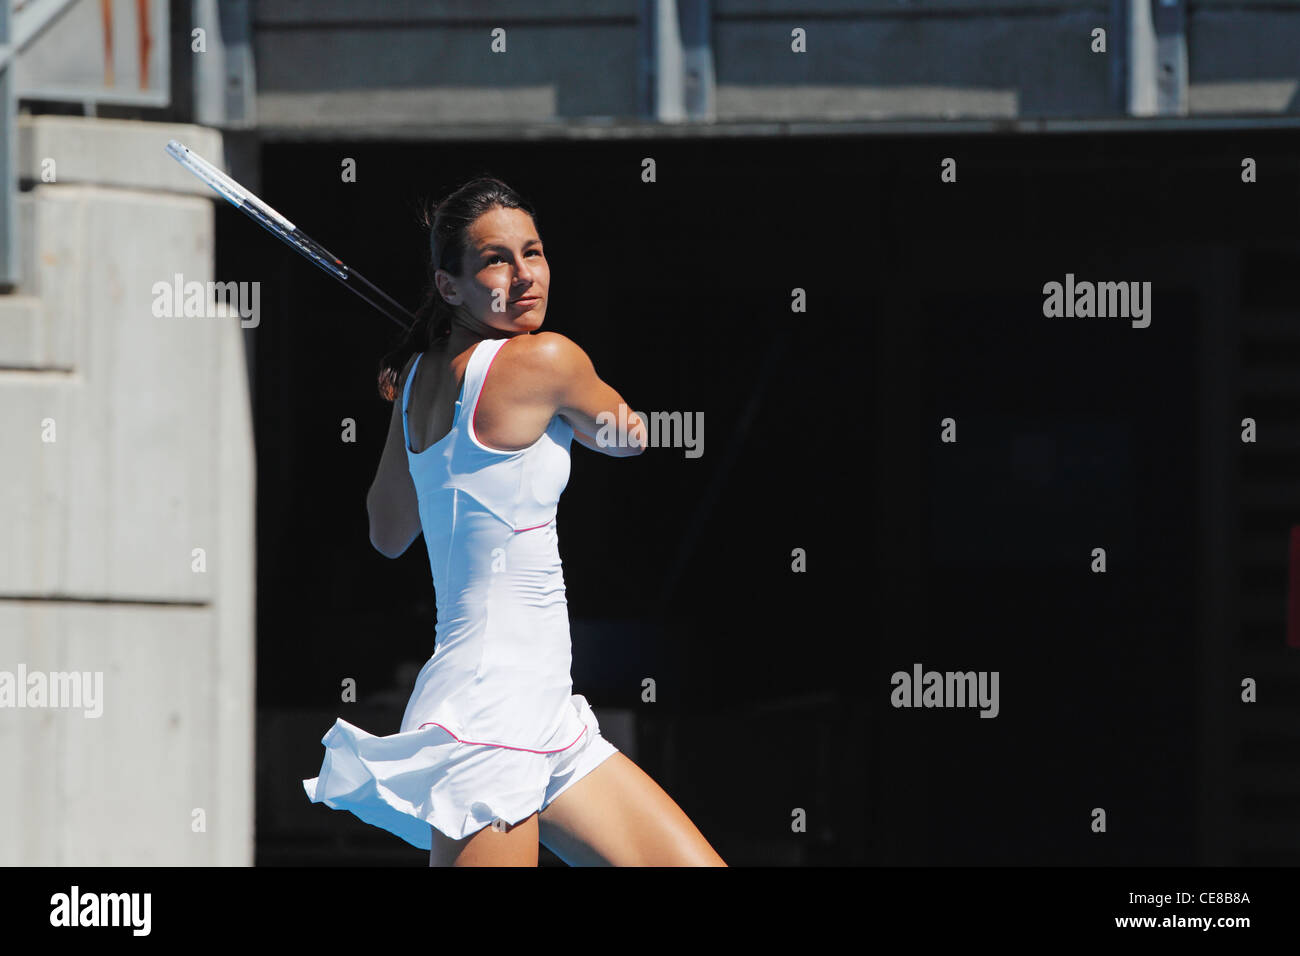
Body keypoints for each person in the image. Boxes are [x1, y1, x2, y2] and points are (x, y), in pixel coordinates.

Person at [303, 176, 726, 867]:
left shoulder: (413, 384)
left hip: (548, 711)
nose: (524, 274)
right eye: (497, 260)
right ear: (450, 287)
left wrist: (413, 398)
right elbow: (628, 436)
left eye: (533, 251)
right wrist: (580, 412)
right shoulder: (548, 359)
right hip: (491, 715)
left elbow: (387, 534)